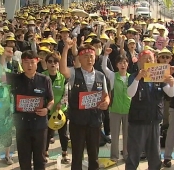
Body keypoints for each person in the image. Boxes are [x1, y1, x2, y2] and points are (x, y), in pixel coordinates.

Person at [59, 39, 110, 170]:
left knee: (94, 155)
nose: (89, 59)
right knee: (77, 155)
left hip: (95, 121)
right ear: (79, 59)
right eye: (85, 56)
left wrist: (106, 103)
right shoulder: (74, 73)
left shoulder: (101, 76)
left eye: (91, 56)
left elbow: (106, 95)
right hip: (77, 121)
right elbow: (62, 69)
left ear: (95, 58)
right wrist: (66, 49)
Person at [126, 50, 174, 170]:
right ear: (139, 61)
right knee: (134, 154)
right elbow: (130, 93)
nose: (148, 61)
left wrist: (171, 83)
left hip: (154, 121)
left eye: (151, 59)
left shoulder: (159, 76)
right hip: (138, 122)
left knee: (155, 156)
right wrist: (138, 78)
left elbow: (171, 93)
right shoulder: (133, 76)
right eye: (145, 59)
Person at [7, 50, 54, 170]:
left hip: (40, 126)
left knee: (40, 158)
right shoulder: (15, 79)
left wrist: (46, 110)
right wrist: (4, 57)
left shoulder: (45, 80)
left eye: (32, 62)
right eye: (26, 62)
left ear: (37, 62)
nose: (29, 65)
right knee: (24, 159)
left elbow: (51, 100)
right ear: (21, 63)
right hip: (22, 126)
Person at [102, 45, 131, 161]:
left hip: (128, 111)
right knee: (114, 136)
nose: (123, 65)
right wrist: (105, 55)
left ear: (128, 64)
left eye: (125, 62)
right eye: (120, 63)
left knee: (127, 136)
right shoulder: (113, 76)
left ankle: (126, 155)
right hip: (115, 110)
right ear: (117, 65)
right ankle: (114, 156)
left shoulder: (132, 77)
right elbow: (104, 67)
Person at [42, 52, 70, 163]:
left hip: (61, 111)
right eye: (50, 62)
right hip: (47, 110)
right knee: (47, 133)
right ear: (46, 64)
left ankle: (64, 153)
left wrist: (61, 103)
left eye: (55, 62)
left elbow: (67, 92)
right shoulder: (42, 76)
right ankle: (45, 152)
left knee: (63, 134)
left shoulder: (63, 77)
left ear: (58, 64)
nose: (53, 64)